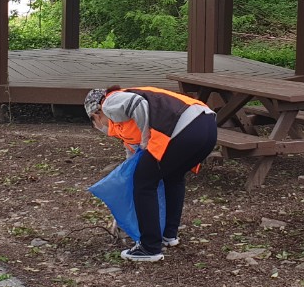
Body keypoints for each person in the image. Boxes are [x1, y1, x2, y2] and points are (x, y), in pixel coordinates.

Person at [84, 85, 218, 263]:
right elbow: (133, 161)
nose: (99, 125)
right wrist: (122, 212)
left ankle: (150, 247)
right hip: (207, 127)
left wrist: (146, 140)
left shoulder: (110, 102)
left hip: (184, 128)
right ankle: (168, 234)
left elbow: (138, 104)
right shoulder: (125, 124)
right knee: (172, 177)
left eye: (95, 120)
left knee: (143, 183)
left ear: (97, 112)